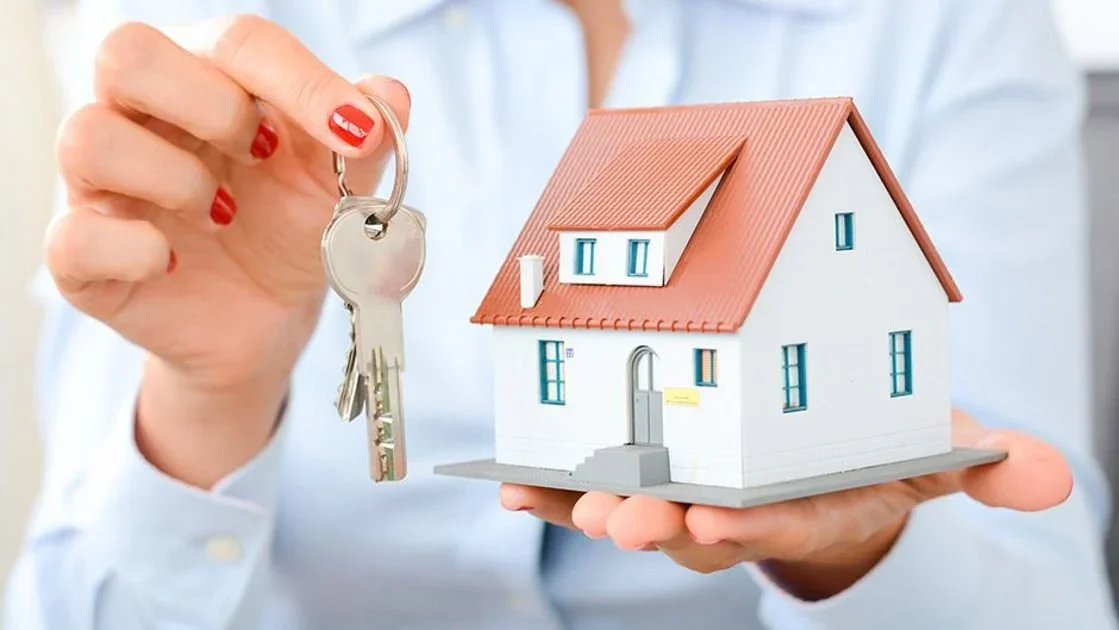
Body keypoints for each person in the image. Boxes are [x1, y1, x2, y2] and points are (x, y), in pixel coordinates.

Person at [4, 0, 1117, 627]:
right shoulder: (208, 56)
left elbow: (1049, 599)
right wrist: (212, 399)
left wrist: (862, 560)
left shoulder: (952, 23)